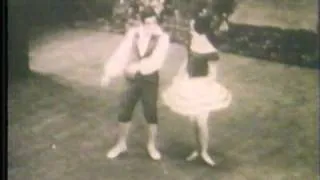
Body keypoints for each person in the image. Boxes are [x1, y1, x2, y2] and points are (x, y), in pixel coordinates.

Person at [161, 5, 232, 166]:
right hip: (189, 83)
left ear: (200, 30)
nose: (190, 29)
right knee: (194, 119)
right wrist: (180, 76)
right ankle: (198, 149)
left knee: (201, 121)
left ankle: (204, 152)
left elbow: (212, 75)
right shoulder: (192, 42)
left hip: (203, 87)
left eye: (192, 27)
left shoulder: (211, 50)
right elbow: (187, 61)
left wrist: (199, 87)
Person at [101, 7, 170, 161]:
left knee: (150, 112)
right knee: (125, 110)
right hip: (132, 80)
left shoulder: (163, 38)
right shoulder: (134, 34)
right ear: (142, 23)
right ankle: (121, 144)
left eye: (154, 22)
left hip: (150, 80)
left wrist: (136, 68)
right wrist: (109, 73)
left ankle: (151, 145)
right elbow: (121, 53)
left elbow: (156, 61)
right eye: (147, 23)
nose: (151, 26)